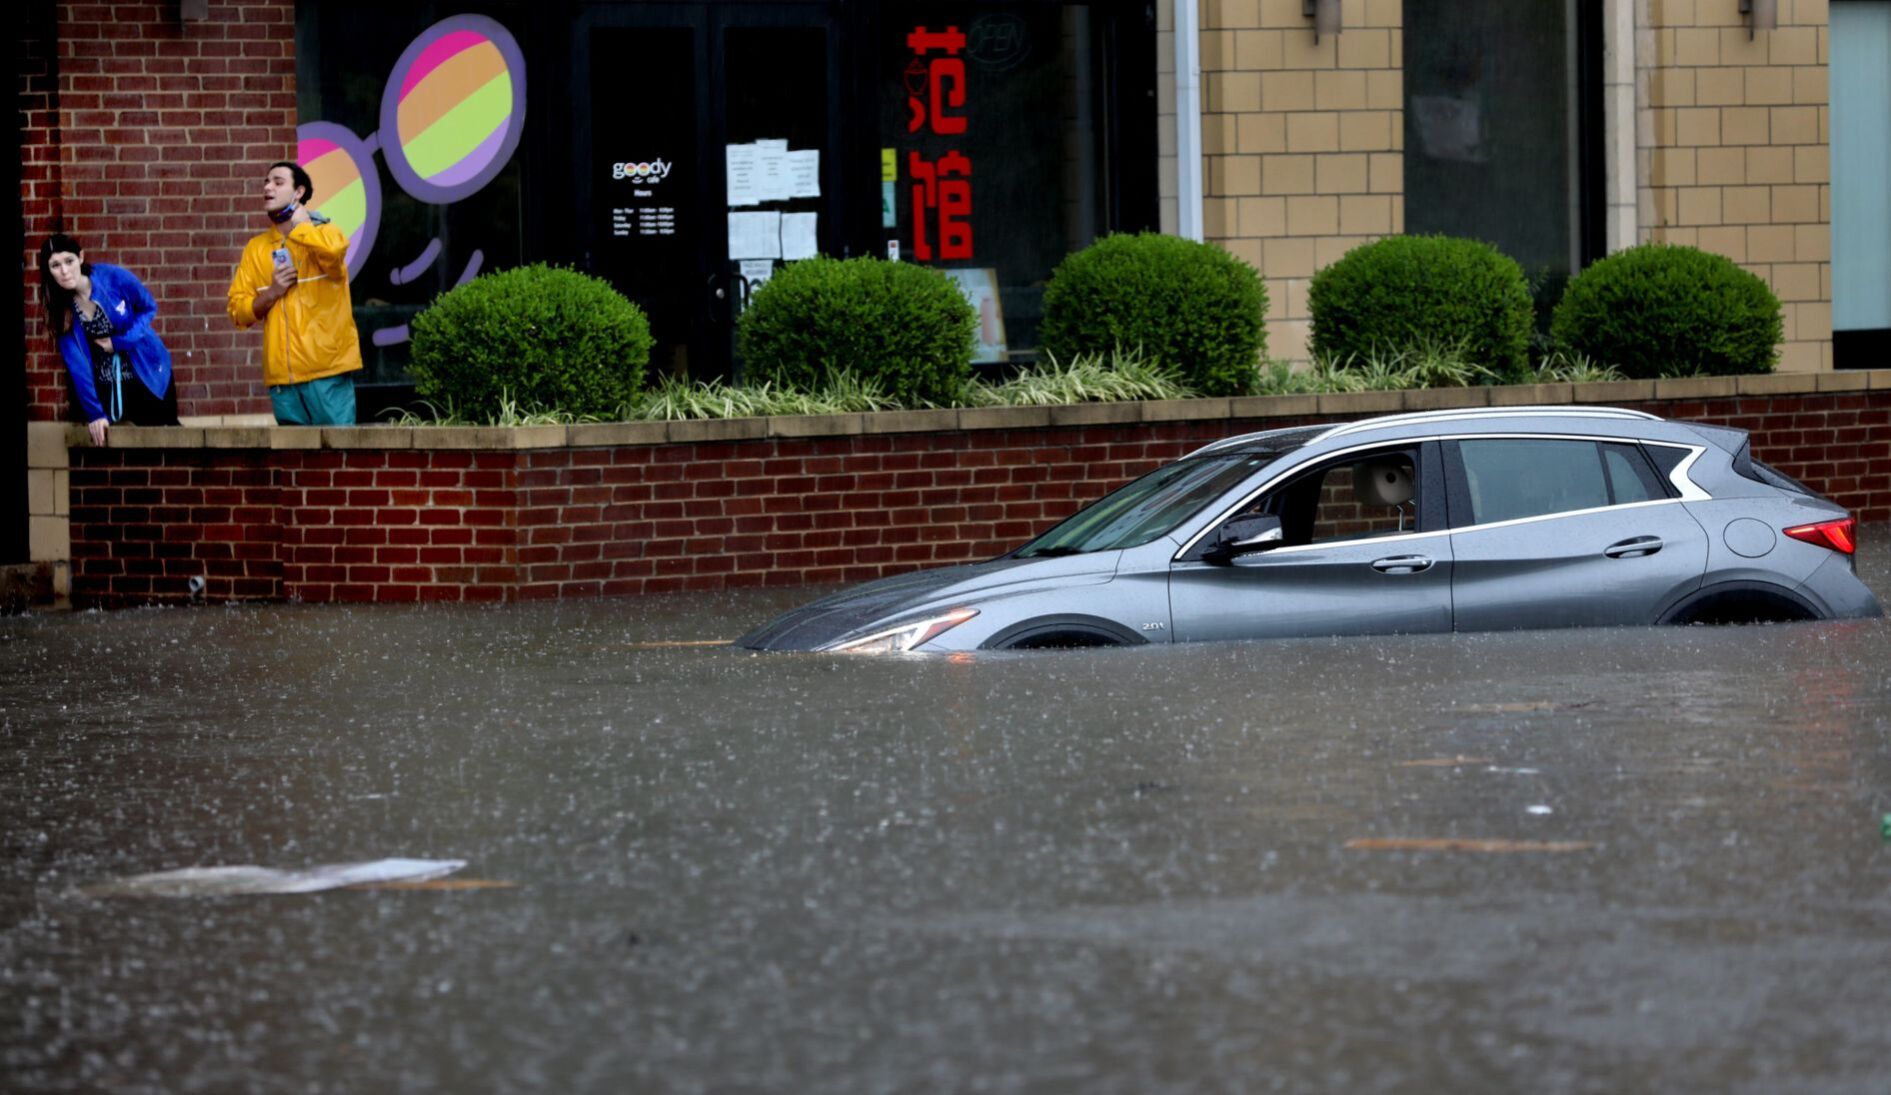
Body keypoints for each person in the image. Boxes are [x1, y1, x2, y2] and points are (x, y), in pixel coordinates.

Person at [226, 160, 363, 425]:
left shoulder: (325, 233)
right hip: (283, 381)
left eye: (278, 182)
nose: (268, 187)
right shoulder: (256, 248)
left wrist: (302, 229)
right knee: (293, 454)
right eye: (266, 182)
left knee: (338, 449)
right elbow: (237, 311)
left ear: (299, 192)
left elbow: (334, 252)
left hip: (327, 373)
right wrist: (272, 292)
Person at [38, 234, 179, 445]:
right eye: (55, 265)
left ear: (80, 257)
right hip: (108, 386)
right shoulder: (60, 309)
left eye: (69, 261)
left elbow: (148, 307)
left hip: (145, 372)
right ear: (48, 270)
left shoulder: (113, 278)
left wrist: (119, 342)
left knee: (163, 442)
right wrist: (95, 413)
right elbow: (77, 365)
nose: (64, 271)